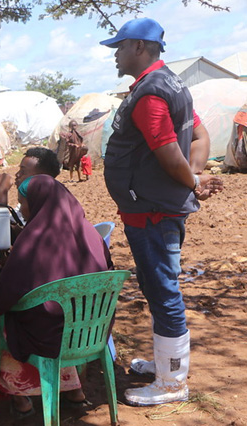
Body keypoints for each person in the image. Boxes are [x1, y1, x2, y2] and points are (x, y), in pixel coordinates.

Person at [99, 18, 223, 406]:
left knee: (163, 292)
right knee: (158, 290)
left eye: (119, 47)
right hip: (156, 208)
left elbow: (169, 151)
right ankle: (166, 365)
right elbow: (199, 135)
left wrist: (191, 181)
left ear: (138, 47)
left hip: (151, 213)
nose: (115, 55)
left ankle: (172, 383)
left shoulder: (151, 93)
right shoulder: (171, 84)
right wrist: (196, 176)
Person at [0, 174, 112, 418]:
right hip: (89, 332)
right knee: (60, 312)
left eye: (22, 202)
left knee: (1, 321)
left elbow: (6, 293)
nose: (21, 209)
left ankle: (21, 398)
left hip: (50, 338)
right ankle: (73, 390)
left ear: (39, 202)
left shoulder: (33, 239)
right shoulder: (90, 233)